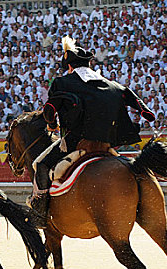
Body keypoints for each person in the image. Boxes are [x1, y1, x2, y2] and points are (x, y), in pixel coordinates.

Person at [30, 36, 155, 209]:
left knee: (40, 165)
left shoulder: (62, 82)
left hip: (76, 143)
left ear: (70, 66)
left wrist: (51, 125)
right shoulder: (111, 84)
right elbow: (130, 96)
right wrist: (146, 112)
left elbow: (50, 110)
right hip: (107, 142)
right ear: (88, 64)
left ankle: (40, 209)